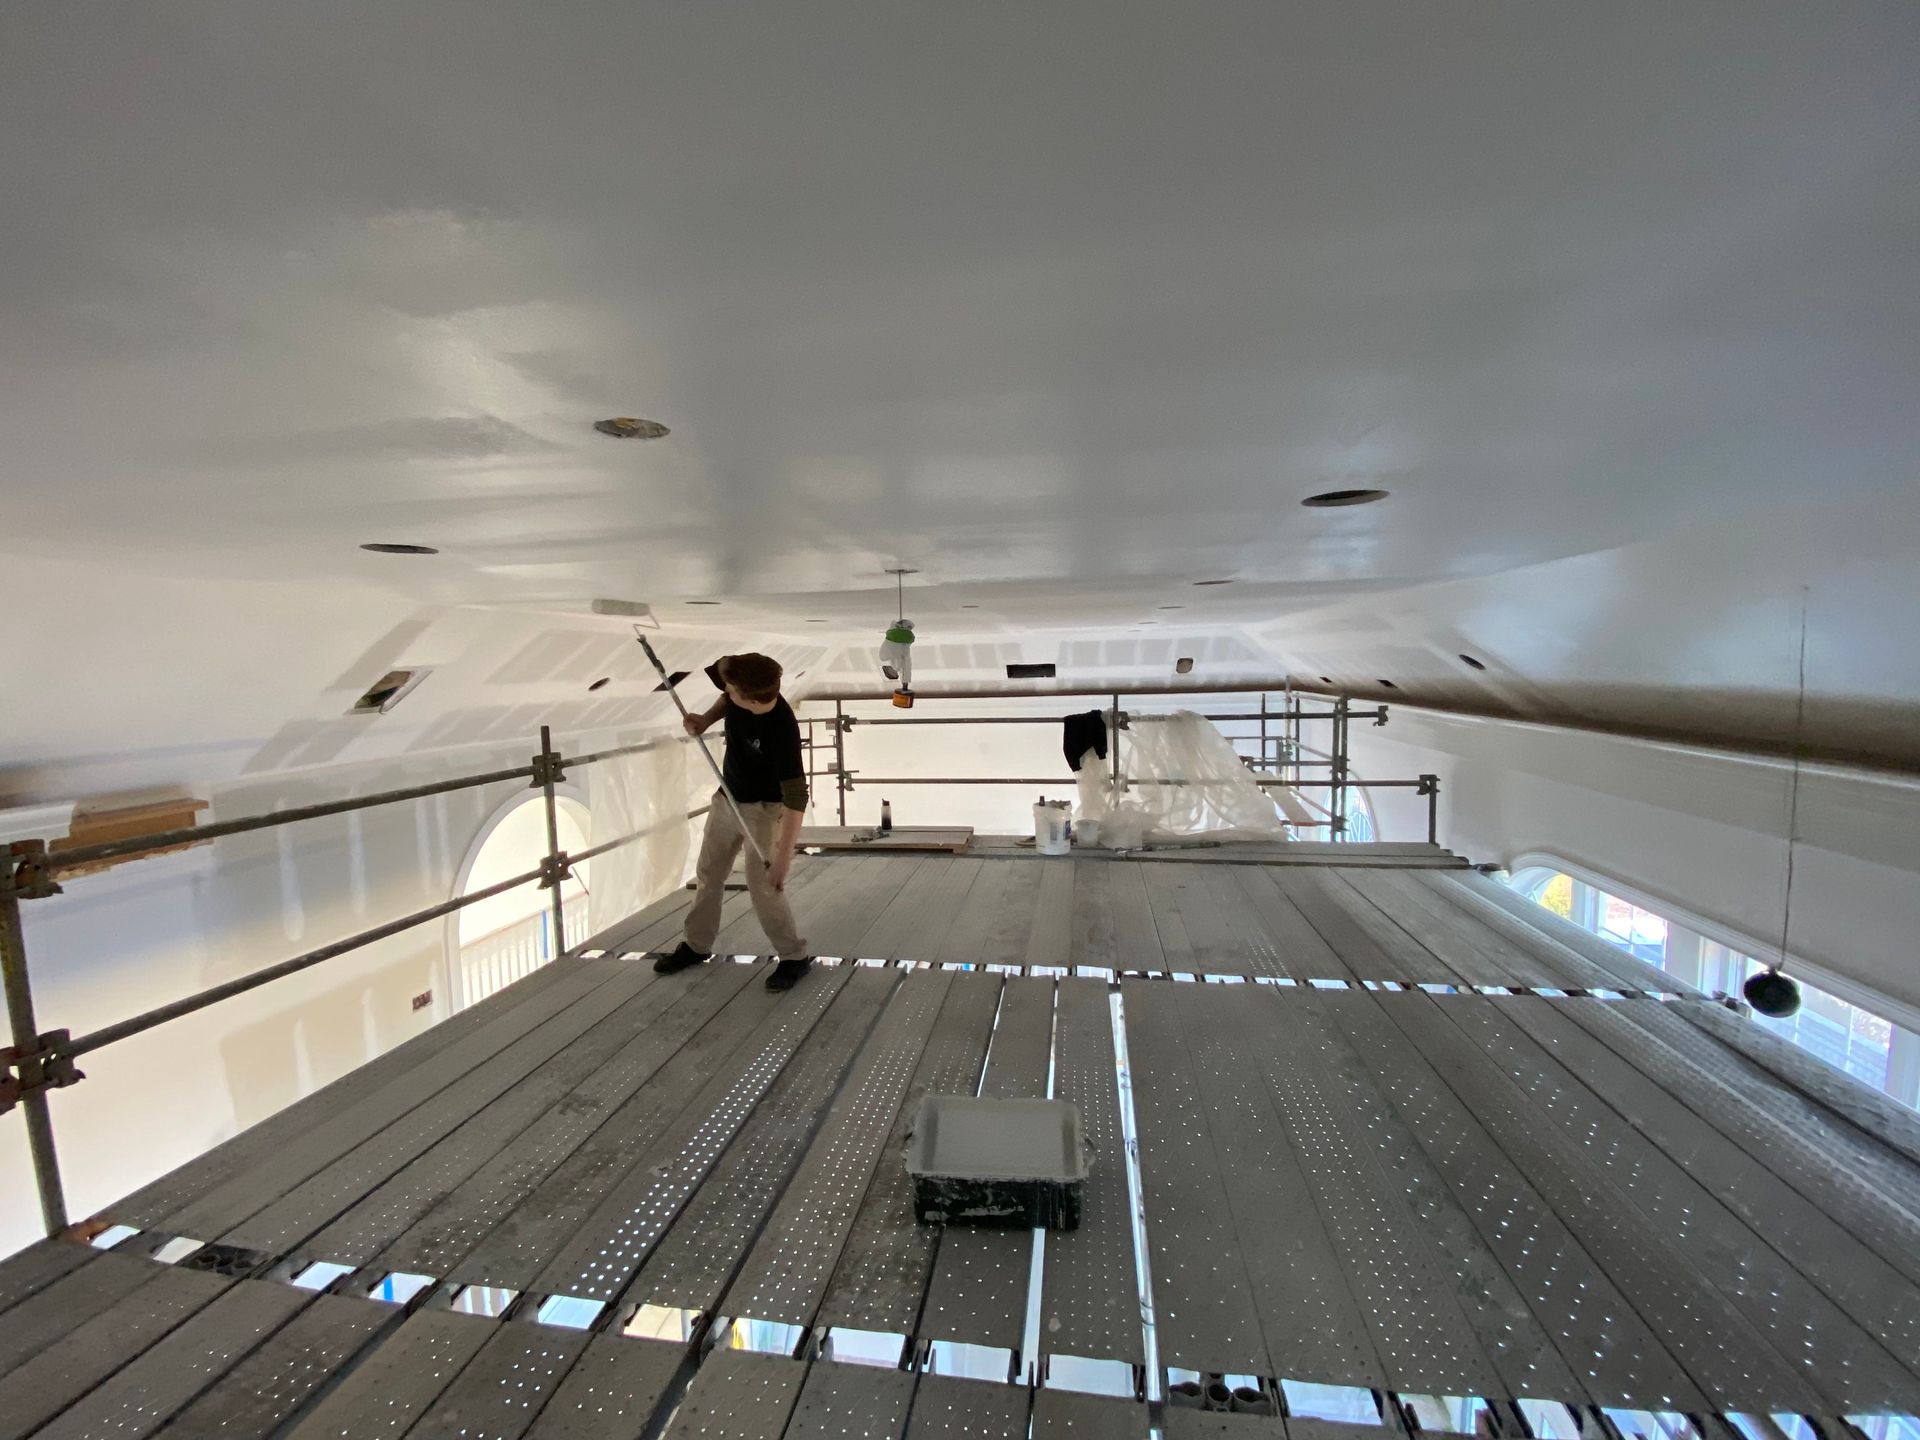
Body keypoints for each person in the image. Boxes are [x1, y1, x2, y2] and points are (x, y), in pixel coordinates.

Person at [655, 653, 814, 991]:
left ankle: (794, 957)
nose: (725, 691)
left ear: (748, 697)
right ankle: (697, 946)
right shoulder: (742, 693)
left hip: (766, 812)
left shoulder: (782, 730)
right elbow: (726, 696)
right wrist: (706, 720)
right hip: (727, 798)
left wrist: (783, 860)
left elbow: (796, 799)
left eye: (730, 690)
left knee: (764, 887)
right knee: (709, 874)